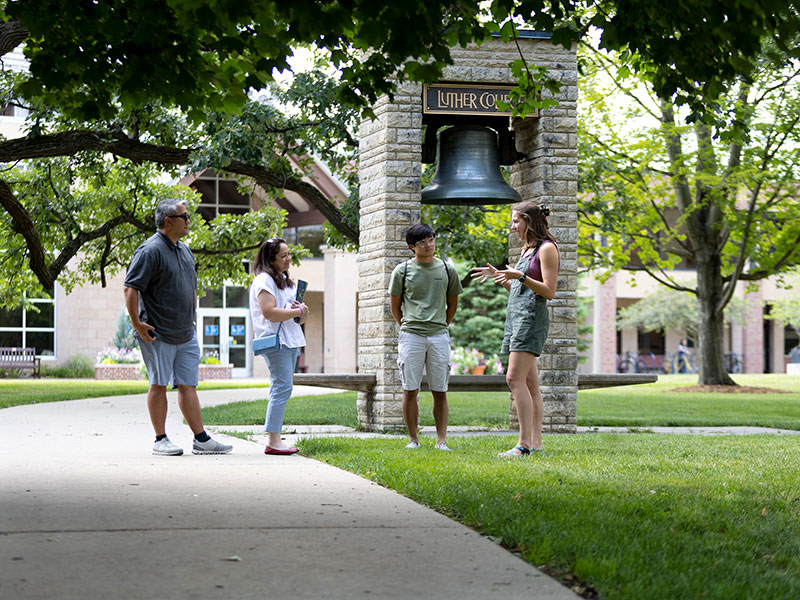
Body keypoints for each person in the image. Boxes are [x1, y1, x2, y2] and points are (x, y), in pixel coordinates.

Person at [124, 199, 233, 456]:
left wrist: (192, 320)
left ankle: (201, 439)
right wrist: (137, 324)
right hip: (157, 332)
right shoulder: (149, 250)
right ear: (168, 221)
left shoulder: (184, 250)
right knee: (159, 383)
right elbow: (131, 288)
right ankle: (160, 439)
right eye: (184, 216)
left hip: (185, 332)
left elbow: (191, 288)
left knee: (188, 384)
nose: (189, 221)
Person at [471, 202, 560, 457]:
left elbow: (549, 291)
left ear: (529, 222)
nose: (512, 227)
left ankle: (523, 445)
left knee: (513, 379)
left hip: (531, 320)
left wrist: (519, 277)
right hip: (517, 318)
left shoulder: (546, 249)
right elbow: (521, 290)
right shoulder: (526, 250)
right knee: (531, 385)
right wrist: (502, 277)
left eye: (515, 222)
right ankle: (536, 444)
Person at [389, 223, 462, 451]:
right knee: (410, 389)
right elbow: (395, 306)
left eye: (431, 239)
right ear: (412, 246)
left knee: (440, 390)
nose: (429, 245)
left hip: (439, 335)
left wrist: (440, 324)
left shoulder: (447, 269)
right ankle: (413, 439)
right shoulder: (402, 271)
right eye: (422, 242)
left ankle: (441, 441)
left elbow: (453, 305)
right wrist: (409, 326)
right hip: (411, 335)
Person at [249, 237, 309, 455]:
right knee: (281, 387)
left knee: (283, 387)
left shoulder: (283, 280)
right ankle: (273, 441)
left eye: (289, 254)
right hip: (277, 342)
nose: (288, 259)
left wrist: (301, 312)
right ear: (270, 259)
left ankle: (275, 438)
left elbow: (296, 318)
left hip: (290, 340)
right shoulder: (264, 280)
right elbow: (269, 312)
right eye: (283, 256)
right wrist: (297, 311)